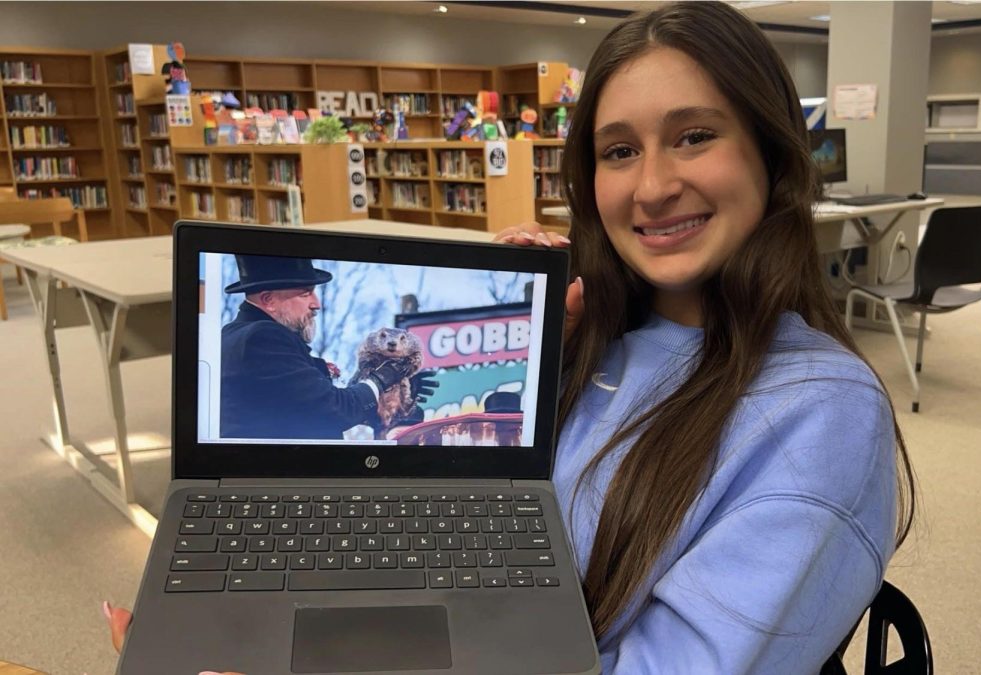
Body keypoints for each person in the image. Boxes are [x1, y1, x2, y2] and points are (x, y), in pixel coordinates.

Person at [105, 3, 914, 673]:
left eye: (695, 134)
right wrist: (547, 356)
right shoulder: (598, 338)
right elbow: (457, 492)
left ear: (773, 152)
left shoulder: (821, 415)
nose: (655, 185)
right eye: (619, 150)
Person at [219, 254, 433, 440]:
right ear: (269, 300)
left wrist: (396, 404)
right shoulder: (263, 338)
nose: (316, 304)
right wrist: (381, 379)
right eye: (305, 293)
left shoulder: (237, 334)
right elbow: (333, 410)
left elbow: (304, 409)